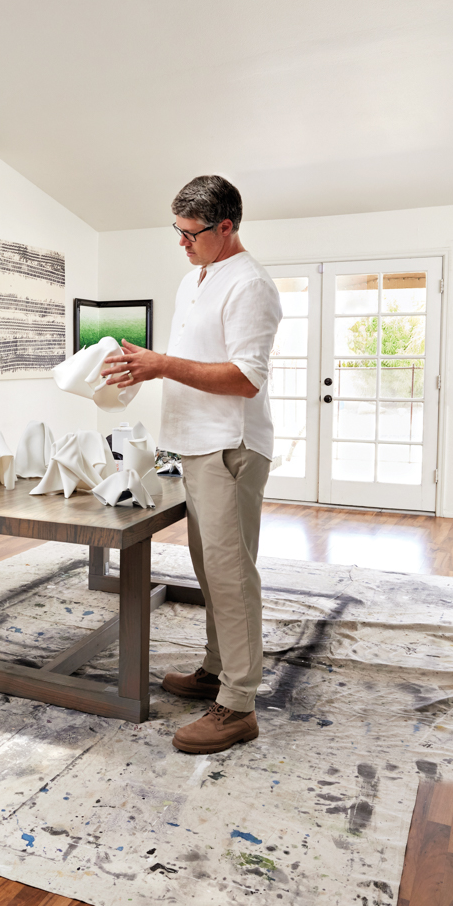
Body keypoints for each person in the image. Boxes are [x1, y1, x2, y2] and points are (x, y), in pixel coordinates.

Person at [101, 175, 282, 754]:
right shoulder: (195, 278)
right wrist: (143, 367)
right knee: (210, 570)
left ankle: (238, 705)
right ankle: (215, 668)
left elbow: (246, 378)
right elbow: (189, 361)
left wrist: (162, 366)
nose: (182, 243)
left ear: (226, 227)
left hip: (231, 444)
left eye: (192, 234)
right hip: (198, 443)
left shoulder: (250, 284)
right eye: (177, 232)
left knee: (231, 575)